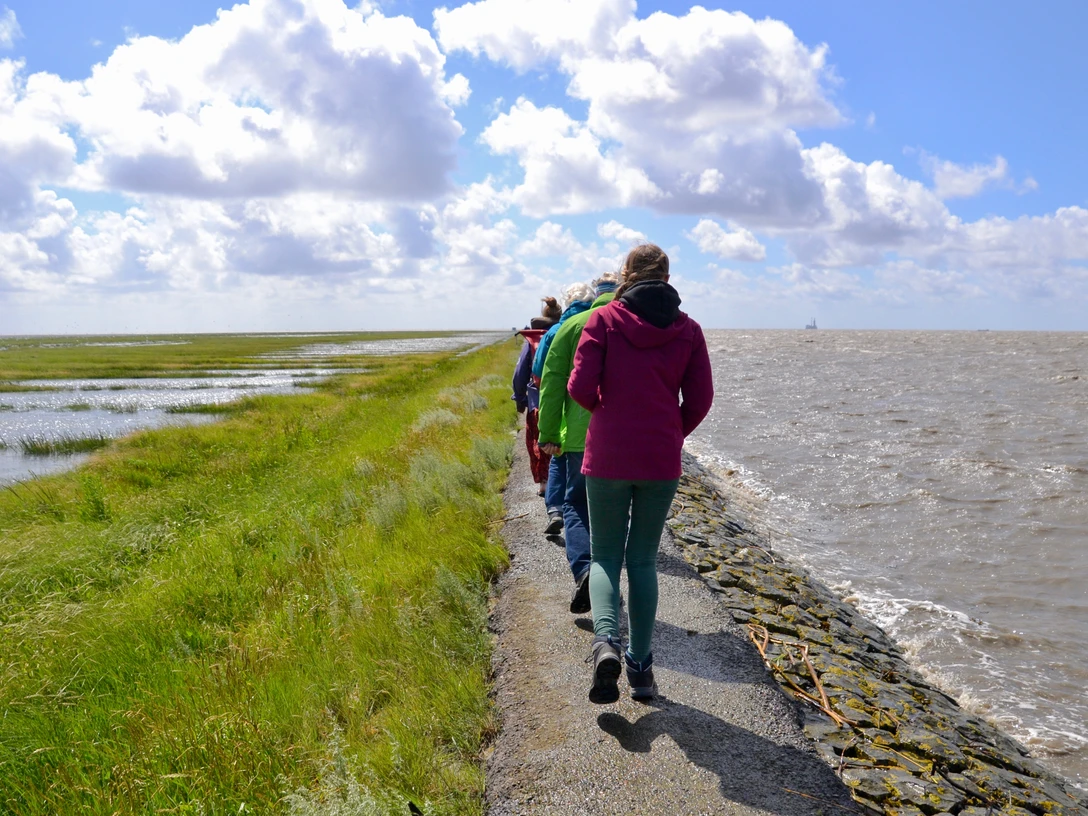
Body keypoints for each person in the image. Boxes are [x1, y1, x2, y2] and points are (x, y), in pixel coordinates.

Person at [568, 244, 714, 703]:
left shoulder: (604, 320)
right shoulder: (687, 329)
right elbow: (702, 399)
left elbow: (578, 387)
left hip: (609, 454)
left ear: (626, 274)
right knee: (644, 560)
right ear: (668, 277)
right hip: (659, 458)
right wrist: (671, 429)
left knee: (605, 556)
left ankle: (606, 642)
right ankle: (641, 667)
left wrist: (610, 416)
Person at [538, 272, 619, 613]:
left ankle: (585, 570)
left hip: (577, 436)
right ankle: (607, 581)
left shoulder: (569, 328)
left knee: (576, 507)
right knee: (612, 514)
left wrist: (549, 433)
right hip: (620, 435)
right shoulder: (625, 321)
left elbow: (551, 382)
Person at [533, 281, 597, 535]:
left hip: (562, 407)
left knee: (559, 455)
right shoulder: (600, 323)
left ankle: (556, 509)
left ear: (568, 302)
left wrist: (544, 432)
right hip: (594, 413)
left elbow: (540, 372)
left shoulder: (558, 330)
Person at [511, 297, 562, 495]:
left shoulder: (532, 340)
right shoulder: (562, 334)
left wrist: (519, 398)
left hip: (536, 401)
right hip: (561, 398)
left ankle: (544, 484)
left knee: (538, 442)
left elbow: (519, 374)